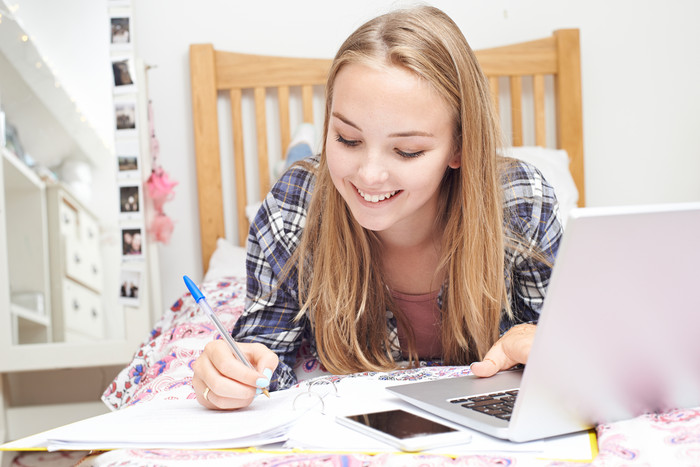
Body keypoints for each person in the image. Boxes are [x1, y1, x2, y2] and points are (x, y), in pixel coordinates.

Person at [192, 5, 562, 410]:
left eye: (407, 151)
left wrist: (547, 341)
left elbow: (576, 344)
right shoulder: (293, 208)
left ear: (459, 146)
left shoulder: (521, 204)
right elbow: (262, 350)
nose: (369, 176)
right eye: (347, 139)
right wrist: (237, 374)